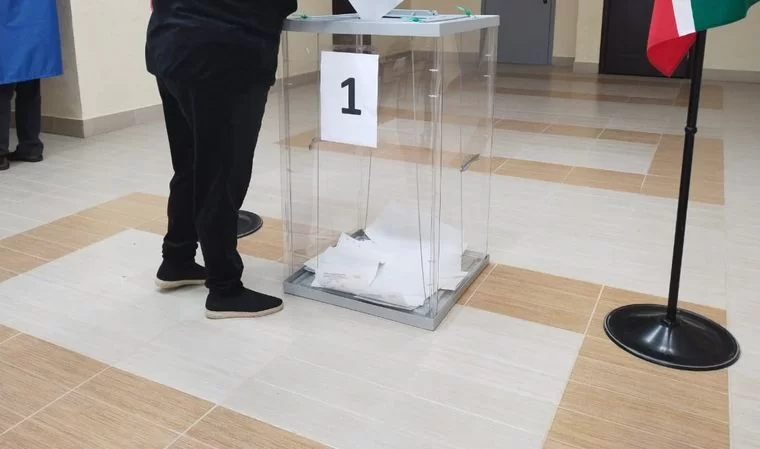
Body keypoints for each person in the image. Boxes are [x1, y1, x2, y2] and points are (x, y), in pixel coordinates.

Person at [146, 0, 297, 319]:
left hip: (170, 46)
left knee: (190, 165)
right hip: (224, 55)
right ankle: (224, 288)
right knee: (223, 174)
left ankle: (177, 260)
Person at [0, 0, 63, 170]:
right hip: (33, 21)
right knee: (30, 82)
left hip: (5, 22)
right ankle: (31, 148)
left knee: (3, 87)